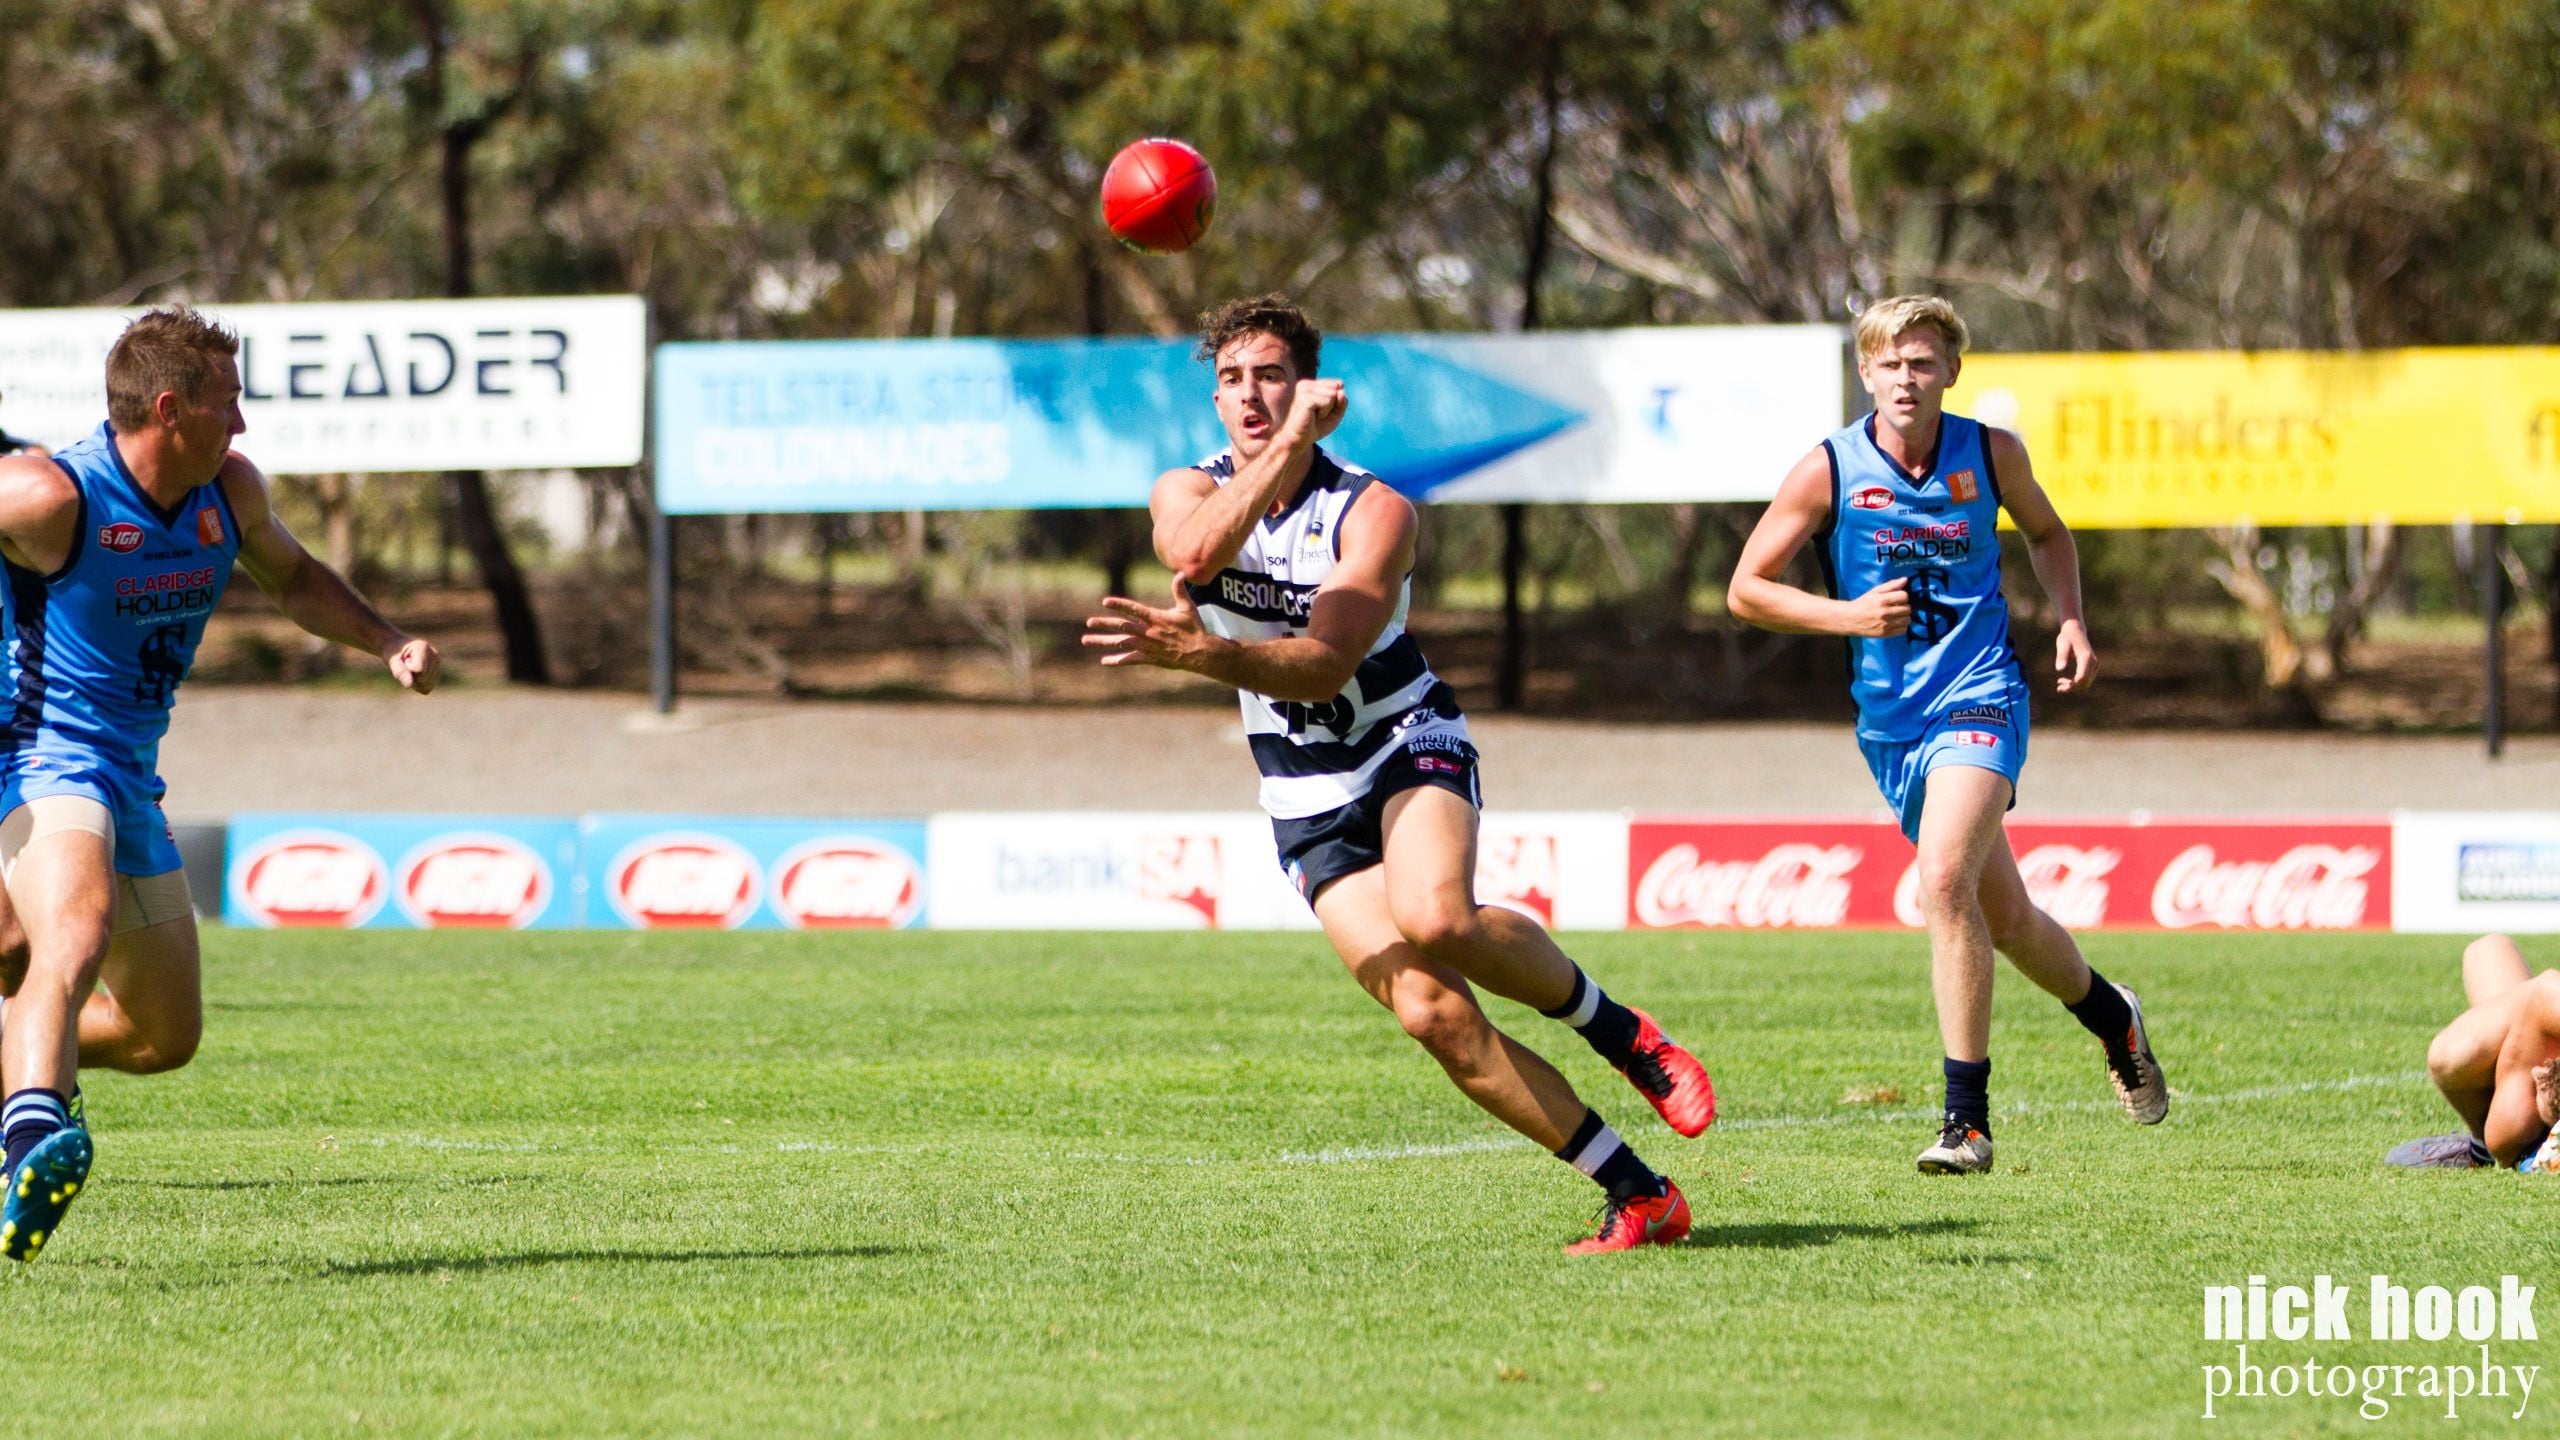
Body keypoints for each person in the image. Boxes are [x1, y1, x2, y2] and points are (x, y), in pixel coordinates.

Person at [1083, 294, 1716, 1253]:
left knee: (1438, 916)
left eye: (1271, 377)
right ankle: (1640, 1195)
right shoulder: (1184, 487)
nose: (1250, 396)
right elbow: (1195, 551)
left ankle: (1622, 1032)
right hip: (1301, 783)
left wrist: (1202, 651)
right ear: (1214, 400)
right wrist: (1273, 459)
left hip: (1403, 736)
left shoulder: (1375, 510)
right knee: (1430, 1011)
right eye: (1231, 381)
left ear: (1309, 388)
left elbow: (1327, 662)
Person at [0, 306, 441, 1261]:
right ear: (170, 408)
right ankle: (32, 1140)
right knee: (72, 933)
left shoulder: (227, 493)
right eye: (229, 404)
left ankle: (17, 1062)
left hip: (132, 774)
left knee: (164, 1036)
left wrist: (388, 641)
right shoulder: (51, 496)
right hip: (41, 758)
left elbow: (295, 578)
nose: (242, 425)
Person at [1726, 294, 2165, 1175]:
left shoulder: (1991, 453)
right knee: (2002, 916)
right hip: (1891, 725)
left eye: (1922, 363)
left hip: (1982, 694)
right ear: (1865, 374)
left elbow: (2048, 533)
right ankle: (2113, 1018)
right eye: (1889, 364)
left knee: (1941, 881)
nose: (1905, 379)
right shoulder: (1830, 469)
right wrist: (1848, 616)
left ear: (1952, 373)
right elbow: (1746, 588)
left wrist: (2070, 618)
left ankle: (1966, 1120)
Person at [2391, 935, 2560, 1171]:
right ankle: (2482, 1145)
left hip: (2526, 1114)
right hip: (2538, 1016)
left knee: (2488, 950)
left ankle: (2481, 1149)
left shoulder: (2516, 1121)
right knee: (2488, 949)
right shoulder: (2516, 1117)